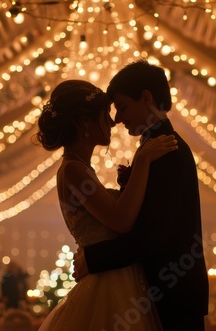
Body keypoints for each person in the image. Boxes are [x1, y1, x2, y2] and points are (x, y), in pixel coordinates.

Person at [73, 60, 209, 330]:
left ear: (146, 98)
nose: (118, 119)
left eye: (122, 107)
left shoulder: (166, 149)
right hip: (163, 290)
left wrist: (94, 258)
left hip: (171, 293)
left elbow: (153, 234)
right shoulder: (154, 146)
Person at [35, 79, 178, 330]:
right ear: (85, 123)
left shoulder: (80, 168)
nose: (113, 122)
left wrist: (128, 184)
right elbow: (120, 221)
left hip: (114, 277)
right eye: (105, 115)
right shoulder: (73, 170)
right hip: (107, 285)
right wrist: (142, 163)